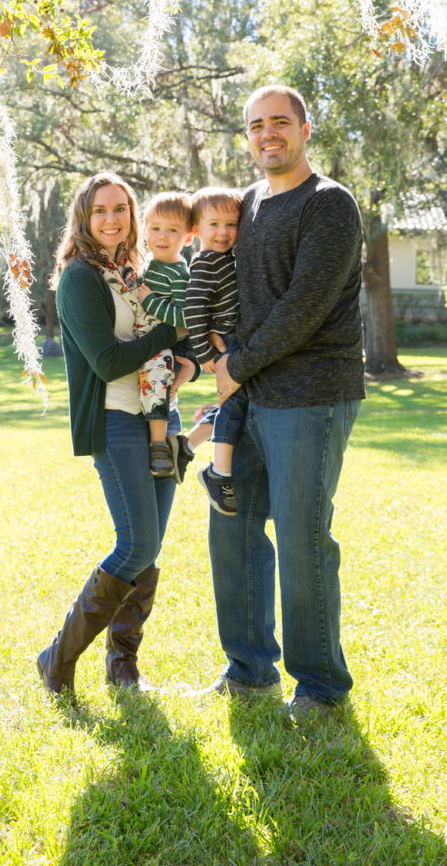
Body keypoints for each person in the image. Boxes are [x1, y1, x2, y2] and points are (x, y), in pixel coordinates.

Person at [207, 84, 365, 719]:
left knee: (302, 538)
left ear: (304, 128)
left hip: (311, 397)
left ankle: (321, 687)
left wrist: (235, 366)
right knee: (234, 526)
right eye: (255, 126)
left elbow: (306, 304)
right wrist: (212, 362)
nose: (267, 134)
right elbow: (224, 289)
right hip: (246, 398)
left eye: (279, 122)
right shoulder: (244, 205)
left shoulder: (329, 204)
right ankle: (249, 670)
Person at [36, 172, 195, 697]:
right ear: (83, 218)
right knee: (137, 543)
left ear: (132, 213)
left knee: (149, 550)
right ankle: (57, 657)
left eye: (120, 209)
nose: (111, 219)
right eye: (100, 210)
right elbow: (106, 362)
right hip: (115, 419)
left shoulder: (133, 268)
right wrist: (171, 333)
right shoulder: (81, 277)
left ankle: (122, 667)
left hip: (160, 416)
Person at [181, 186, 245, 516]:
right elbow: (194, 307)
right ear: (196, 231)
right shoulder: (207, 260)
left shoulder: (226, 259)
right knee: (233, 404)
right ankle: (218, 473)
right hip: (224, 344)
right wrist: (204, 352)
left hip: (233, 339)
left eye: (231, 225)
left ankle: (188, 444)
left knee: (234, 402)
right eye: (214, 224)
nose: (223, 232)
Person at [135, 191, 194, 480]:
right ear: (145, 230)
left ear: (188, 237)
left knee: (158, 382)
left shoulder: (179, 273)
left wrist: (149, 302)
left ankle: (159, 444)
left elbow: (184, 317)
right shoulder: (147, 261)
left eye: (173, 230)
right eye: (156, 228)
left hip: (161, 345)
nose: (163, 236)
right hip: (139, 338)